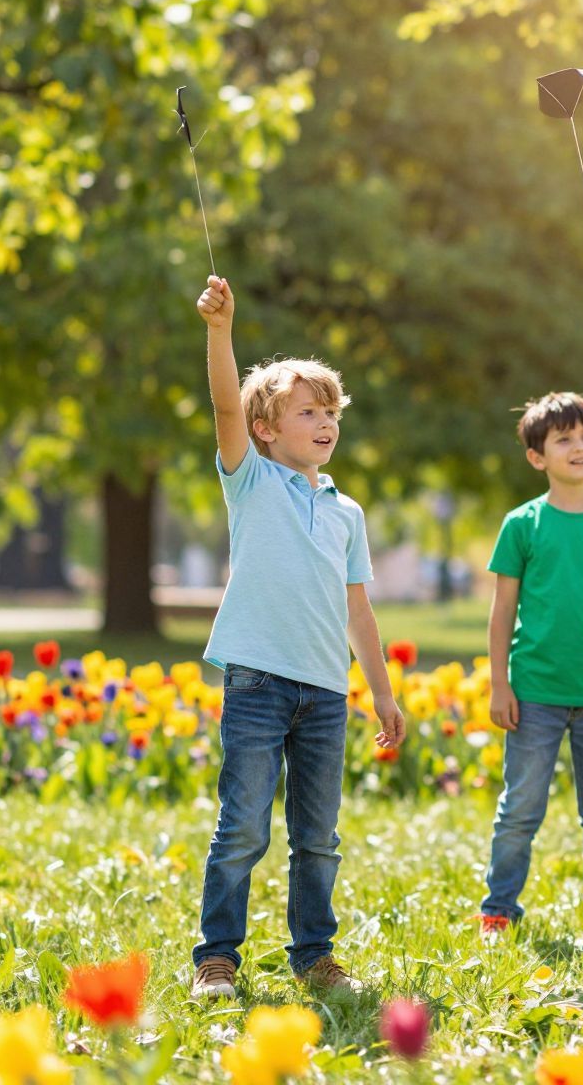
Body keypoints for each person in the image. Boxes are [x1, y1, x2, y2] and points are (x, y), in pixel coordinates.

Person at [189, 275, 406, 1001]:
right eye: (307, 411)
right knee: (244, 828)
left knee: (318, 839)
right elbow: (225, 400)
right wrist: (222, 333)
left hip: (323, 693)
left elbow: (360, 612)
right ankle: (216, 958)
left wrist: (381, 693)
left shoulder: (345, 510)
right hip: (257, 681)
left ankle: (315, 956)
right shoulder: (249, 481)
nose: (324, 422)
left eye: (331, 411)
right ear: (265, 431)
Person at [478, 392, 583, 937]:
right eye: (563, 439)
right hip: (535, 692)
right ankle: (498, 908)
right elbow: (502, 614)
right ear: (537, 457)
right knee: (520, 807)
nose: (579, 446)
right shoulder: (522, 524)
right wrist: (500, 685)